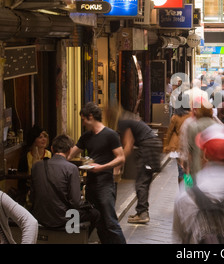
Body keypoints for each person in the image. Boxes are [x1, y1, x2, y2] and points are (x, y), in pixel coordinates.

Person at [68, 102, 126, 244]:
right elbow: (71, 154)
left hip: (105, 184)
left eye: (83, 119)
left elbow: (121, 157)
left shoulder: (110, 135)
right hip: (91, 184)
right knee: (97, 220)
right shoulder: (86, 137)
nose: (82, 123)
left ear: (91, 117)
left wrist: (102, 167)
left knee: (110, 221)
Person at [30, 134, 99, 236]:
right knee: (95, 214)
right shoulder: (71, 168)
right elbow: (75, 202)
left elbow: (32, 197)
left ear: (52, 149)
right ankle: (78, 239)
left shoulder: (36, 166)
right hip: (62, 219)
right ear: (70, 150)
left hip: (39, 216)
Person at [106, 105, 163, 224]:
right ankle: (142, 211)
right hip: (153, 144)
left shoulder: (123, 121)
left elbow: (128, 145)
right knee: (144, 180)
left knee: (141, 181)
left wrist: (118, 163)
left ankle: (142, 213)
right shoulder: (128, 117)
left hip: (148, 147)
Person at [164, 105, 191, 183]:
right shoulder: (191, 116)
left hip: (177, 145)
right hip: (189, 145)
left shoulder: (175, 117)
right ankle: (188, 188)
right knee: (188, 170)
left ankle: (181, 191)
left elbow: (169, 132)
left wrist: (165, 146)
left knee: (181, 169)